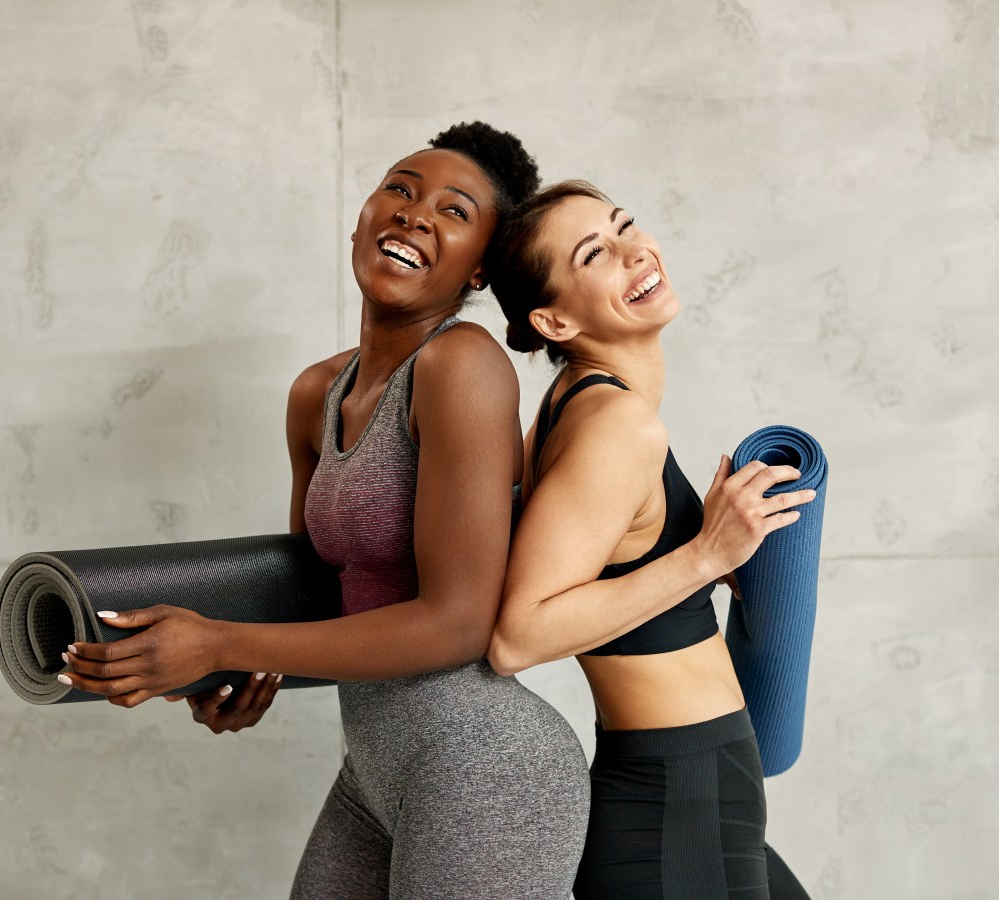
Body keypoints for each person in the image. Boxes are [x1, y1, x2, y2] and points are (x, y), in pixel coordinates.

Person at [58, 124, 591, 899]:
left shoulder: (462, 365)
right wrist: (238, 669)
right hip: (374, 769)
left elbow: (459, 623)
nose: (413, 214)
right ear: (363, 216)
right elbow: (315, 591)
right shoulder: (317, 393)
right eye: (401, 190)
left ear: (480, 268)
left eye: (453, 210)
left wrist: (219, 642)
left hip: (485, 767)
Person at [486, 180, 814, 899]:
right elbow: (519, 636)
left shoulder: (582, 405)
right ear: (555, 320)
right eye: (595, 253)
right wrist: (704, 555)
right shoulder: (618, 425)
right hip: (675, 799)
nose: (635, 250)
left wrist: (709, 558)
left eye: (625, 225)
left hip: (698, 791)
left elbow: (607, 568)